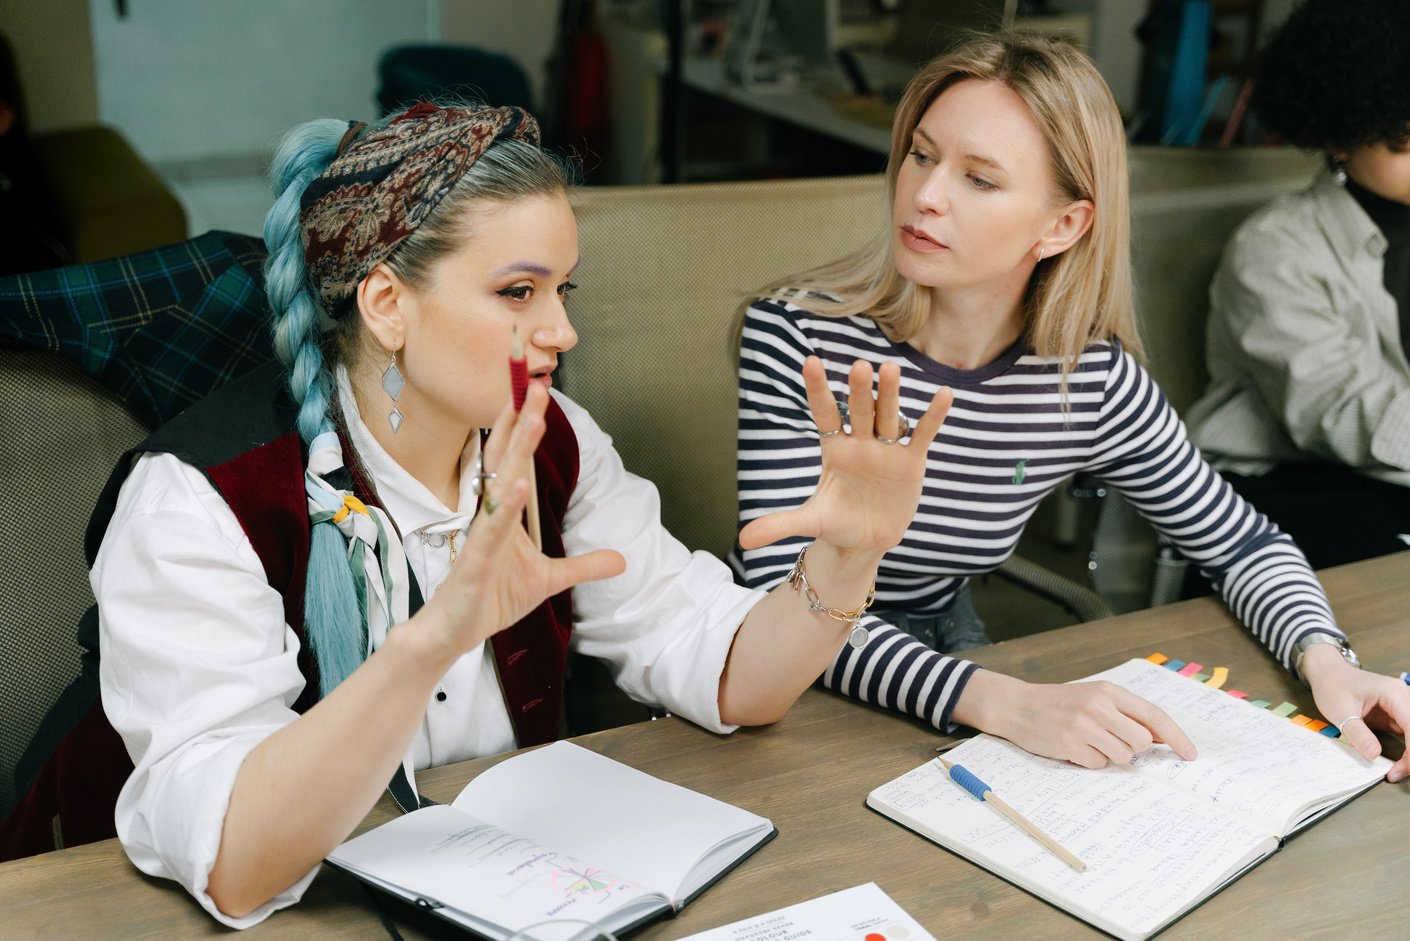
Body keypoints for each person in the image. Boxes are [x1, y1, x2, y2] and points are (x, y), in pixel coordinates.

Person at [8, 101, 952, 925]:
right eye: (517, 292)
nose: (563, 330)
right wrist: (436, 636)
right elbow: (237, 862)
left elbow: (732, 674)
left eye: (562, 289)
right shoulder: (199, 498)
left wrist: (847, 558)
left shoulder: (554, 441)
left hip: (482, 892)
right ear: (386, 303)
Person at [735, 33, 1410, 785]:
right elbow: (779, 593)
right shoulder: (797, 335)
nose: (925, 194)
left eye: (980, 179)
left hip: (952, 654)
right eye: (922, 156)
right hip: (781, 669)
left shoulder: (1088, 379)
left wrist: (1327, 659)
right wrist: (1005, 703)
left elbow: (1241, 543)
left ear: (1062, 226)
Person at [1185, 0, 1410, 570]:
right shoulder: (1274, 250)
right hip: (1286, 484)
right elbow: (1345, 414)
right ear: (1341, 134)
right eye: (1404, 140)